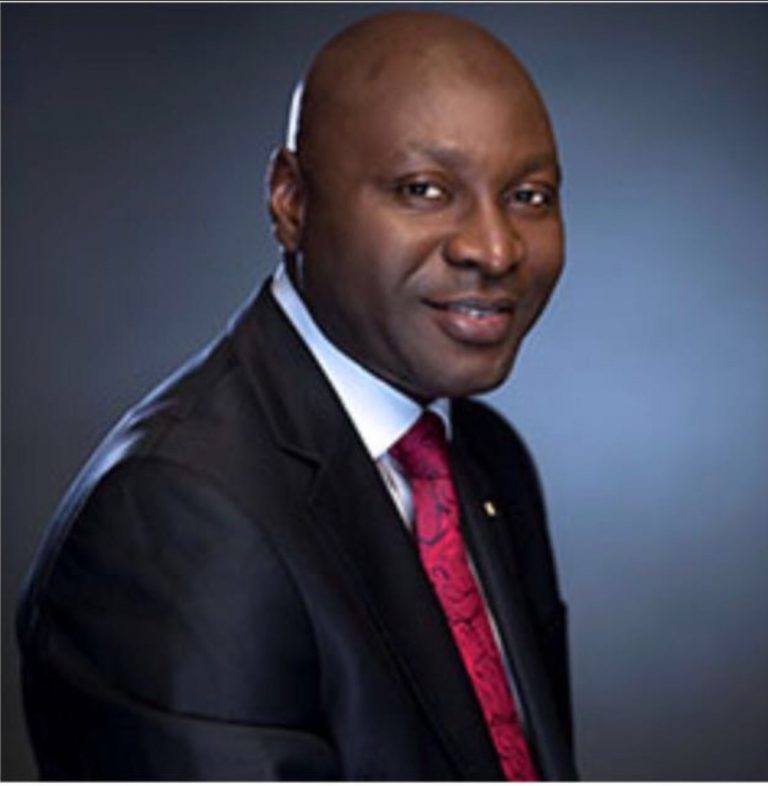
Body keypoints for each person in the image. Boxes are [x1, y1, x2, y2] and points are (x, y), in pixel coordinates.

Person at [17, 10, 577, 780]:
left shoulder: (485, 458)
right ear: (290, 200)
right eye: (423, 189)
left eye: (530, 196)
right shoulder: (179, 514)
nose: (494, 247)